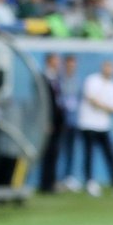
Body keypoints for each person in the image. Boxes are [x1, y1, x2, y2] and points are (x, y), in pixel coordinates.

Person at [76, 59, 113, 197]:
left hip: (103, 126)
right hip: (88, 124)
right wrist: (103, 105)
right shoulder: (92, 80)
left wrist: (101, 104)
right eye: (107, 67)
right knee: (89, 154)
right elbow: (91, 100)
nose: (109, 70)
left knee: (110, 154)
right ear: (103, 67)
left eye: (111, 68)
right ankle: (90, 182)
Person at [38, 52, 65, 193]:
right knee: (48, 153)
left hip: (58, 122)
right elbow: (43, 102)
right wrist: (46, 120)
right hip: (48, 122)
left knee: (54, 153)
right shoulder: (43, 78)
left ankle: (52, 182)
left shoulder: (56, 78)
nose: (58, 63)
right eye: (55, 60)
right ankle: (46, 184)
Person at [57, 54, 81, 190]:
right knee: (59, 150)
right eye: (69, 64)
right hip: (62, 121)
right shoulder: (60, 80)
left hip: (73, 121)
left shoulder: (77, 80)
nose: (72, 67)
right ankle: (58, 177)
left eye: (74, 65)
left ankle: (69, 177)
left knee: (71, 150)